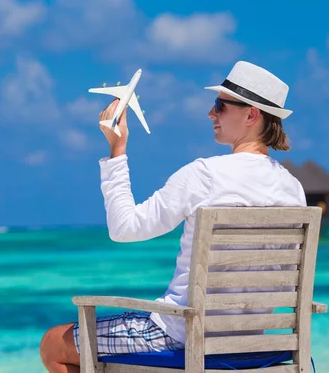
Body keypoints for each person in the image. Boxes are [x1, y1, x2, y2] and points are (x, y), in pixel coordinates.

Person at [39, 61, 306, 373]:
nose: (211, 113)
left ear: (251, 114)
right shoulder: (294, 189)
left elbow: (124, 228)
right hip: (256, 343)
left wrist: (117, 148)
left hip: (180, 335)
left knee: (53, 343)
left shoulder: (204, 175)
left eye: (220, 105)